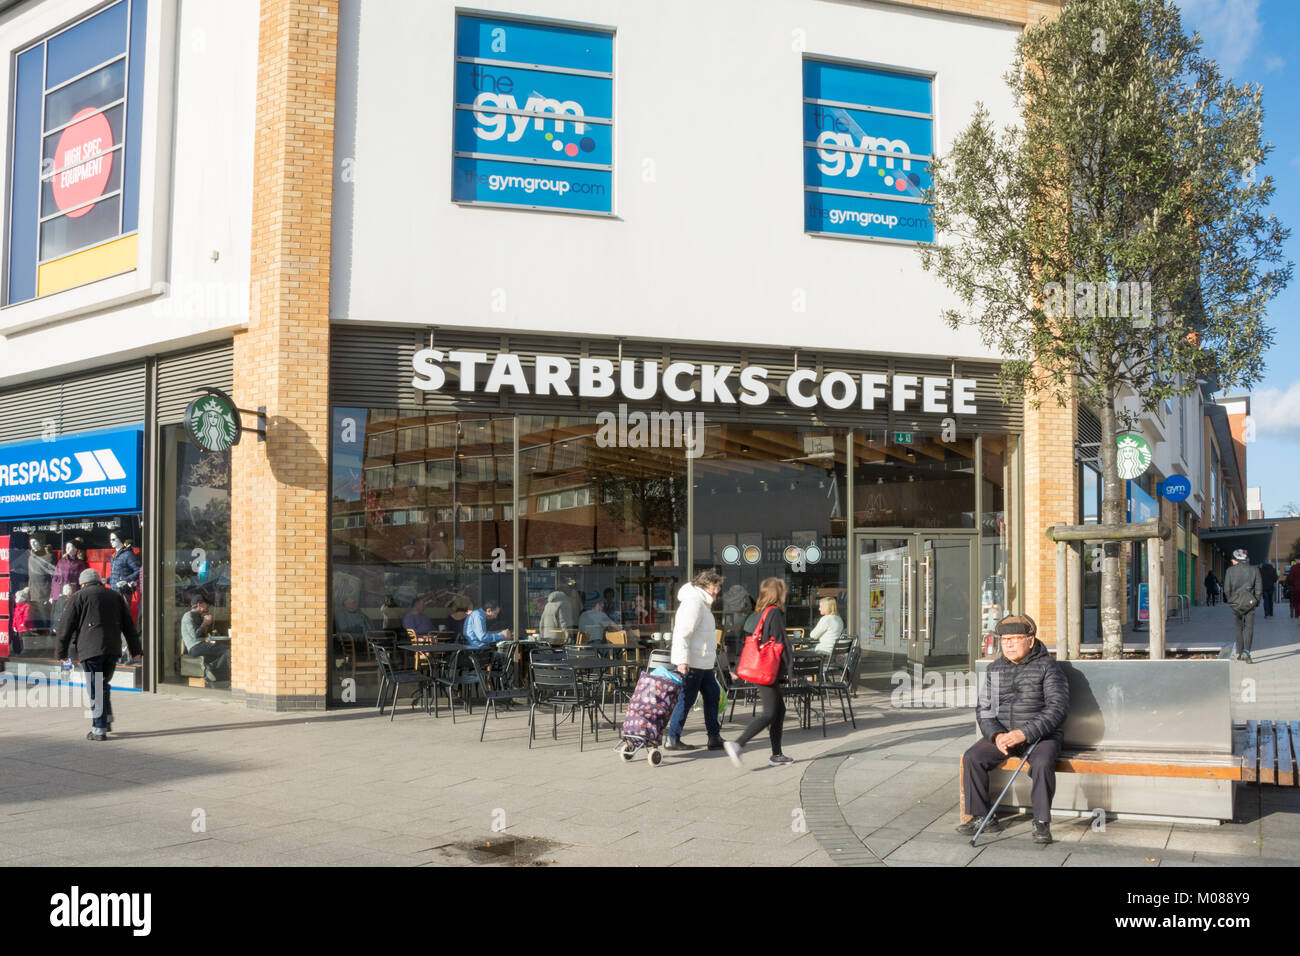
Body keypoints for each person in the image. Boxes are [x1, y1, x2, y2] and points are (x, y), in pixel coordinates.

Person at [956, 614, 1069, 844]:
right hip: (1004, 734)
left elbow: (1057, 709)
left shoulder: (1049, 667)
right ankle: (983, 817)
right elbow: (985, 708)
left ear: (1030, 640)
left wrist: (1024, 733)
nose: (1008, 644)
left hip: (1040, 736)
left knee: (1042, 763)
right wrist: (996, 735)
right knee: (972, 758)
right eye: (1004, 639)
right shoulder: (995, 668)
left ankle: (1041, 821)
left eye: (1015, 638)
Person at [56, 569, 142, 741]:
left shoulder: (78, 597)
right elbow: (128, 625)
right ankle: (107, 718)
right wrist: (135, 650)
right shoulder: (115, 596)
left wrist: (61, 652)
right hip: (112, 649)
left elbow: (65, 627)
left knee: (96, 688)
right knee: (102, 684)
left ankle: (99, 728)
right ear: (99, 581)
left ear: (83, 583)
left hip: (90, 650)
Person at [723, 576, 792, 768]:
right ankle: (738, 744)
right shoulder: (775, 613)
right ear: (777, 593)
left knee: (779, 711)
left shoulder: (762, 613)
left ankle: (777, 755)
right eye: (783, 590)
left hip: (766, 668)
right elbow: (781, 643)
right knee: (769, 713)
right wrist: (791, 669)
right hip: (767, 670)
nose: (786, 593)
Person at [665, 569, 727, 752]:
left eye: (718, 587)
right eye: (715, 586)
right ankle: (672, 738)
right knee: (686, 699)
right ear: (705, 585)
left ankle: (714, 736)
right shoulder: (694, 602)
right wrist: (682, 661)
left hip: (702, 662)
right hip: (692, 662)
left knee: (712, 695)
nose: (717, 591)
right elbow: (682, 633)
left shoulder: (702, 603)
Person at [1221, 549, 1262, 663]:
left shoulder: (1230, 571)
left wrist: (1231, 601)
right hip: (1250, 602)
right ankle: (1247, 653)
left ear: (1237, 559)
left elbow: (1227, 589)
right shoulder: (1254, 570)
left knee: (1238, 627)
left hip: (1236, 602)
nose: (1231, 561)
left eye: (1233, 559)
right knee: (1249, 628)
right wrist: (1256, 601)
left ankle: (1240, 652)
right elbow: (1259, 587)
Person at [181, 591, 231, 681]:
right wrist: (205, 623)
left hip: (201, 645)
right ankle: (212, 670)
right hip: (195, 647)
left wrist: (208, 628)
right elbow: (195, 635)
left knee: (225, 649)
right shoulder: (188, 616)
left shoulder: (199, 616)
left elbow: (203, 635)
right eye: (207, 604)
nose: (209, 606)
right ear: (199, 604)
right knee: (227, 650)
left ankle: (215, 675)